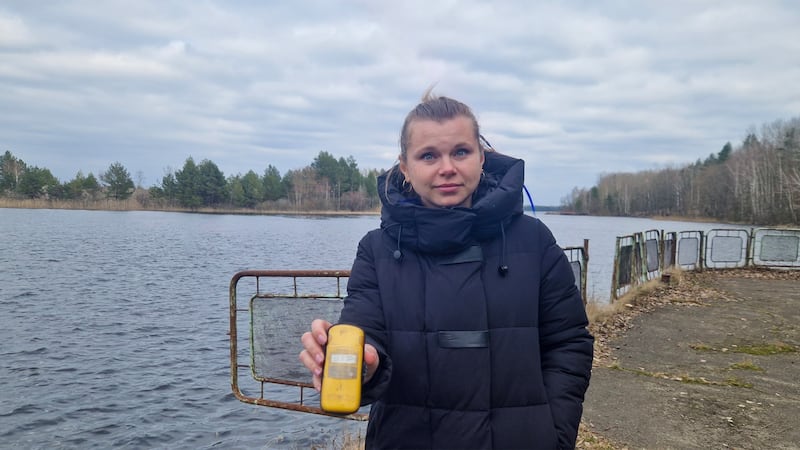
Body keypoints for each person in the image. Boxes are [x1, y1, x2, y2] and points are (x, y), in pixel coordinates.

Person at [300, 91, 593, 449]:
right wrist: (362, 367)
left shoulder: (534, 241)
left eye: (460, 152)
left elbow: (568, 343)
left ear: (481, 158)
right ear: (405, 168)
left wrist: (555, 435)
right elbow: (365, 331)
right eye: (428, 156)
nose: (447, 168)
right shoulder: (375, 250)